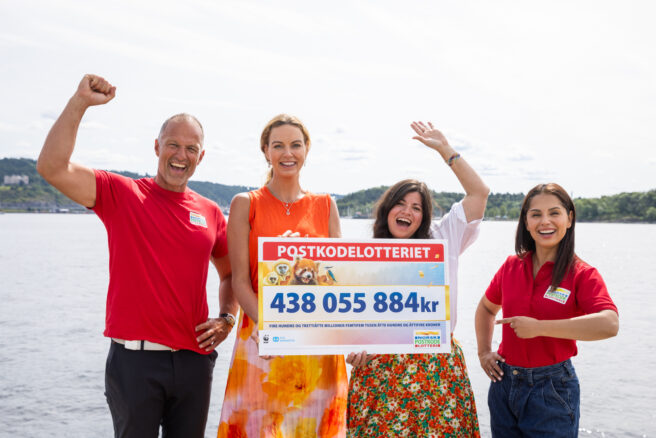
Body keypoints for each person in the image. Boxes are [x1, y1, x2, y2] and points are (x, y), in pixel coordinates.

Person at [36, 74, 238, 438]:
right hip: (135, 362)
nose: (181, 155)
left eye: (191, 149)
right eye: (173, 145)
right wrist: (80, 102)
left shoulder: (209, 211)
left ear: (201, 156)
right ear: (157, 147)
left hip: (194, 361)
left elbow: (230, 274)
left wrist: (226, 318)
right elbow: (52, 167)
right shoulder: (122, 194)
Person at [346, 121, 489, 437]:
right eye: (400, 203)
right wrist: (354, 347)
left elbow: (479, 192)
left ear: (424, 217)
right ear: (387, 209)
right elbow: (350, 319)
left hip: (435, 370)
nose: (407, 212)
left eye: (416, 208)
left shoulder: (442, 240)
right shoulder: (361, 256)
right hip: (379, 373)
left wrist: (445, 150)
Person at [217, 114, 348, 437]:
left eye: (295, 145)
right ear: (266, 151)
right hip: (262, 337)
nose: (287, 153)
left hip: (318, 341)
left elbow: (340, 278)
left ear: (306, 150)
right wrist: (270, 325)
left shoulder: (326, 205)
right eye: (278, 146)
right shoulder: (245, 204)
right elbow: (240, 282)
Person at [475, 183, 619, 437]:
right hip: (503, 385)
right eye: (536, 214)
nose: (545, 222)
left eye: (554, 213)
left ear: (569, 218)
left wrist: (539, 328)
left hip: (552, 389)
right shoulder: (511, 266)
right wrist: (484, 351)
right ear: (526, 222)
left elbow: (609, 324)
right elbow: (486, 308)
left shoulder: (581, 273)